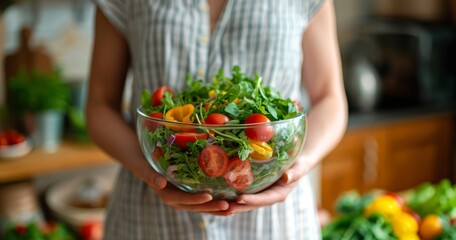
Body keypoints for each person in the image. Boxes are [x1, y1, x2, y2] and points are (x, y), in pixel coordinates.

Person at [86, 0, 348, 239]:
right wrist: (150, 172)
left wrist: (295, 169)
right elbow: (100, 105)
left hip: (272, 223)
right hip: (150, 217)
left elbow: (330, 98)